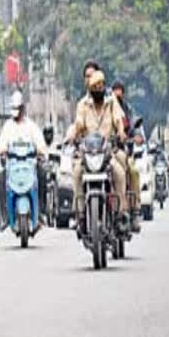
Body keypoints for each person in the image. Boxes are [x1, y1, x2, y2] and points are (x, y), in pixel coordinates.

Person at [66, 69, 130, 233]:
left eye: (101, 86)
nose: (99, 89)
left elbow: (118, 119)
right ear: (90, 89)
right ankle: (80, 214)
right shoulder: (83, 105)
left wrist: (121, 132)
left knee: (120, 174)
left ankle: (121, 212)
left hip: (108, 151)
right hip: (88, 153)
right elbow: (79, 123)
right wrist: (73, 135)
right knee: (77, 172)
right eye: (95, 87)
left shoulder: (111, 102)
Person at [0, 91, 49, 226]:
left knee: (42, 175)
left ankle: (41, 211)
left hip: (30, 164)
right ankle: (5, 215)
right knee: (0, 180)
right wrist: (2, 151)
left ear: (23, 108)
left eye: (18, 108)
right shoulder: (8, 126)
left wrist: (41, 153)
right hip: (12, 165)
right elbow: (1, 145)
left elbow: (40, 143)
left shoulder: (31, 126)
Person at [111, 79, 141, 232]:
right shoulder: (105, 108)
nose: (117, 93)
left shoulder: (127, 110)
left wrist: (134, 135)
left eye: (119, 90)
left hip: (122, 151)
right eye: (114, 90)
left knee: (133, 171)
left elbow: (134, 126)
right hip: (104, 153)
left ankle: (134, 210)